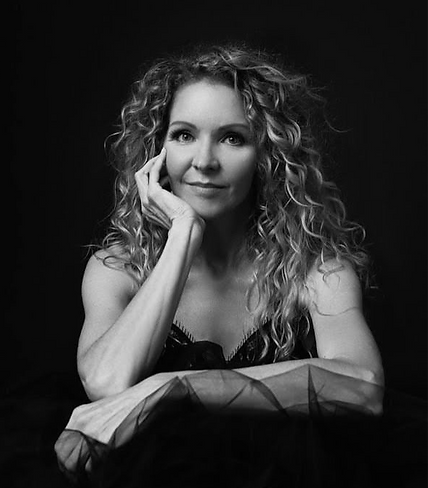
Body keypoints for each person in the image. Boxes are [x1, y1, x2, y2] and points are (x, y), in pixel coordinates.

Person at [53, 43, 394, 487]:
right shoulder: (118, 268)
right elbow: (105, 383)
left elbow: (365, 387)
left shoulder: (317, 270)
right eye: (183, 135)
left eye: (233, 138)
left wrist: (172, 387)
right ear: (157, 150)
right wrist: (183, 234)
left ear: (267, 155)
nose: (204, 161)